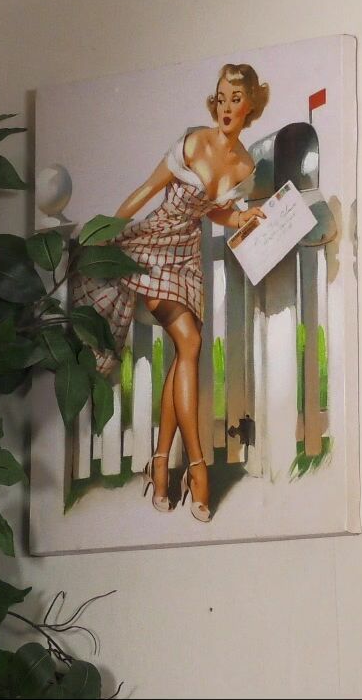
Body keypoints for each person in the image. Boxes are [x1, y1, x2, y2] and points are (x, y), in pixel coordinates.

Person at [69, 64, 270, 522]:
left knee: (185, 354)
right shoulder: (193, 143)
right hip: (153, 245)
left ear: (250, 106)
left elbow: (215, 211)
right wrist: (105, 231)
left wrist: (240, 218)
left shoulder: (244, 165)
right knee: (191, 343)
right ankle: (198, 465)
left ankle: (160, 462)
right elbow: (147, 190)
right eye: (221, 98)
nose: (226, 107)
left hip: (187, 256)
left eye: (236, 99)